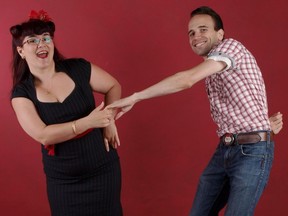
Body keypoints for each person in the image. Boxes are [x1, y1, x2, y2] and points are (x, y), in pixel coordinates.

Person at [107, 6, 283, 216]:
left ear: (220, 34)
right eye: (191, 32)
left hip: (251, 153)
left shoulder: (231, 48)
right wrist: (264, 126)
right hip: (226, 149)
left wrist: (136, 97)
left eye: (203, 29)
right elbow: (248, 97)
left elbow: (186, 80)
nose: (196, 36)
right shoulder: (214, 68)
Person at [10, 10, 122, 216]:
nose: (41, 44)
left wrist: (109, 120)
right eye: (32, 40)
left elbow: (113, 86)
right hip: (64, 181)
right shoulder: (22, 93)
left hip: (103, 170)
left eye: (46, 38)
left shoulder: (78, 68)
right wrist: (88, 122)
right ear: (21, 52)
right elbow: (42, 134)